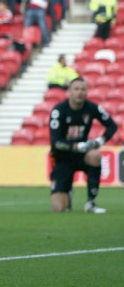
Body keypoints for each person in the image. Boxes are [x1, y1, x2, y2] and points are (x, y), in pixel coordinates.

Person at [48, 78, 118, 213]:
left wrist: (100, 141)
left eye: (83, 89)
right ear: (69, 92)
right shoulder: (58, 111)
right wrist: (77, 146)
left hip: (82, 155)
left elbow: (112, 125)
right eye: (76, 89)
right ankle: (67, 190)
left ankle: (91, 202)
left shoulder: (92, 107)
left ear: (87, 92)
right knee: (59, 209)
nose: (80, 92)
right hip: (62, 158)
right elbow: (56, 142)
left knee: (95, 155)